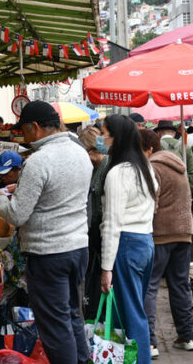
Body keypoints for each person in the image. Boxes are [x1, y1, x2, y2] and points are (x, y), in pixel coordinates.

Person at [0, 101, 92, 364]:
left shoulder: (38, 161)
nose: (22, 137)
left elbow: (16, 215)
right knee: (72, 316)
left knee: (55, 327)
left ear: (34, 127)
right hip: (78, 248)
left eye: (23, 130)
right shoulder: (81, 152)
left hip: (48, 254)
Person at [100, 115, 157, 364]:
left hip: (126, 244)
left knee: (132, 314)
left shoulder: (118, 173)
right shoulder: (144, 168)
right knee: (134, 309)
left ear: (117, 137)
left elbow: (112, 223)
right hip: (145, 243)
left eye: (106, 134)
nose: (103, 139)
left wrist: (105, 268)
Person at [139, 129, 193, 358]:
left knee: (150, 287)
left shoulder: (153, 167)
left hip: (161, 233)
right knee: (180, 285)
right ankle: (188, 336)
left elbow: (150, 203)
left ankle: (150, 342)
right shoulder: (178, 164)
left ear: (150, 149)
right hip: (184, 233)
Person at [78, 126, 110, 320]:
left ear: (92, 150)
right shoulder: (94, 168)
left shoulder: (107, 167)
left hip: (103, 233)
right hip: (95, 233)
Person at [154, 120, 193, 190]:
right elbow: (192, 172)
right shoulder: (185, 147)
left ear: (158, 133)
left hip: (163, 191)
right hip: (182, 188)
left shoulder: (154, 147)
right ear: (174, 134)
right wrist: (191, 189)